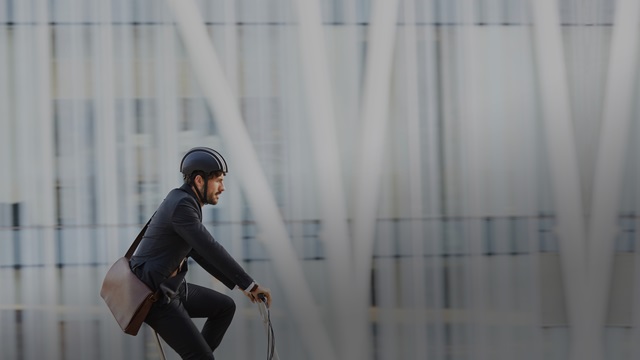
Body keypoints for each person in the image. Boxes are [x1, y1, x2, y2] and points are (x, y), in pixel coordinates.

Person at [130, 147, 272, 359]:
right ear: (199, 180)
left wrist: (242, 286)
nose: (222, 188)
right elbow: (210, 248)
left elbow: (198, 252)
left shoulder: (182, 200)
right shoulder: (182, 206)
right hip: (154, 296)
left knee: (224, 307)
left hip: (169, 287)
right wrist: (249, 284)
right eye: (219, 180)